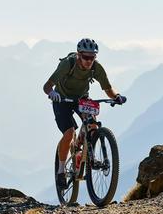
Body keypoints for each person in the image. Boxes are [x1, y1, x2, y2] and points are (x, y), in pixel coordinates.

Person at [43, 38, 127, 188]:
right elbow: (47, 86)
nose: (89, 61)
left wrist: (116, 96)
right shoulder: (67, 64)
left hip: (81, 98)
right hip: (62, 100)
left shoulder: (96, 67)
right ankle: (61, 171)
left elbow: (107, 88)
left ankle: (86, 154)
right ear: (78, 55)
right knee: (69, 133)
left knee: (93, 124)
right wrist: (52, 94)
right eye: (86, 57)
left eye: (92, 57)